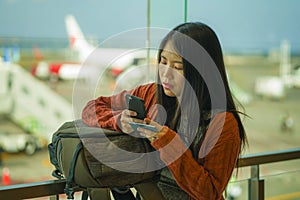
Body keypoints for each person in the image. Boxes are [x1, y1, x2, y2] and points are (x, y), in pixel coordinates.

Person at [81, 22, 248, 200]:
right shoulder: (152, 94)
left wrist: (168, 142)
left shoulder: (222, 123)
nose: (166, 74)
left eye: (177, 67)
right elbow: (91, 109)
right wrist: (118, 121)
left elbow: (209, 192)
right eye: (163, 61)